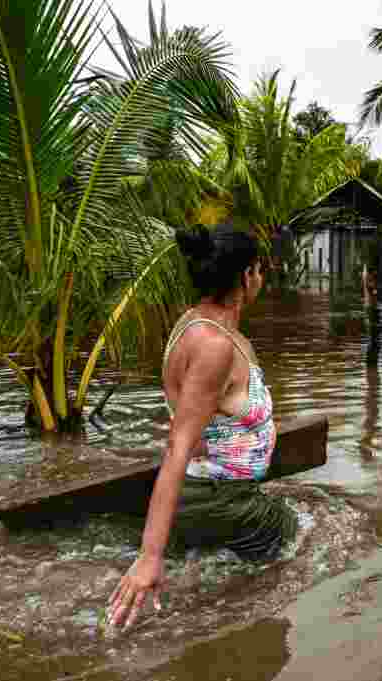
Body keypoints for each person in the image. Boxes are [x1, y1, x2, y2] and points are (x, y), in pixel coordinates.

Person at [106, 224, 296, 632]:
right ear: (247, 276)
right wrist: (149, 556)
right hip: (221, 498)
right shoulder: (214, 346)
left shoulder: (197, 323)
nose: (262, 279)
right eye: (260, 270)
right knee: (302, 538)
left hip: (212, 493)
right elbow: (178, 445)